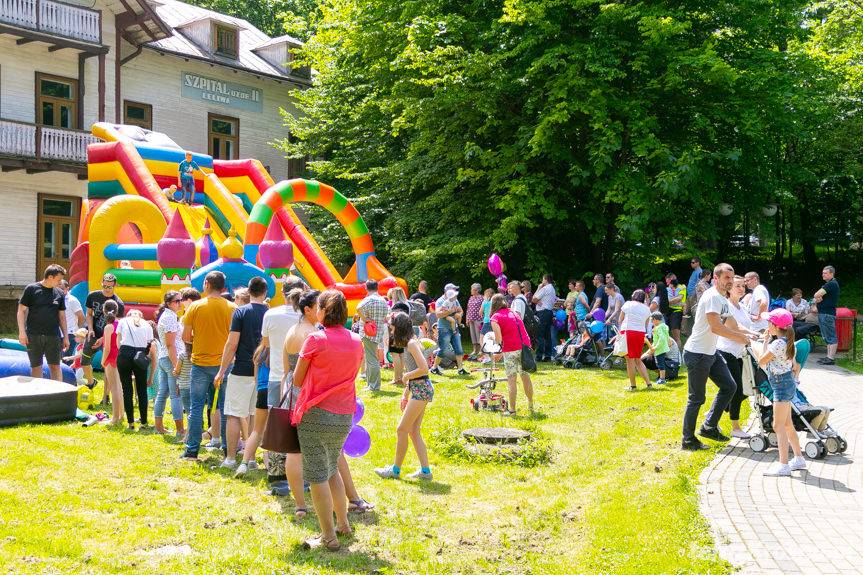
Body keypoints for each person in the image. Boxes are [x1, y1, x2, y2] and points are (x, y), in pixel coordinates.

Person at [291, 290, 362, 551]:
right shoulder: (356, 340)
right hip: (344, 414)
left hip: (315, 413)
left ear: (322, 310)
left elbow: (297, 380)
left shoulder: (315, 340)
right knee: (333, 468)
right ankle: (343, 524)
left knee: (318, 475)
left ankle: (328, 536)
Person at [681, 263, 752, 451]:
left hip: (710, 353)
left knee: (730, 386)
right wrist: (741, 338)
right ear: (716, 279)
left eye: (732, 277)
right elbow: (716, 327)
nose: (730, 281)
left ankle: (709, 427)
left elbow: (732, 324)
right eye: (726, 278)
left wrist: (753, 335)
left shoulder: (722, 299)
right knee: (696, 398)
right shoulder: (712, 297)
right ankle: (688, 440)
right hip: (697, 354)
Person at [269, 289, 320, 512]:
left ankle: (299, 502)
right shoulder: (311, 334)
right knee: (304, 447)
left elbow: (285, 369)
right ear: (307, 309)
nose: (323, 311)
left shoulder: (292, 330)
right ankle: (305, 495)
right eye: (320, 307)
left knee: (292, 448)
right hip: (306, 390)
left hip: (290, 386)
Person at [180, 271, 237, 461]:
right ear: (223, 287)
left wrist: (200, 339)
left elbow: (185, 337)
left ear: (206, 284)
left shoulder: (195, 306)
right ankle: (227, 449)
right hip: (224, 364)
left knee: (196, 408)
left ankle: (192, 450)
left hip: (200, 364)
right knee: (225, 408)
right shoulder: (232, 307)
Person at [215, 277, 269, 469]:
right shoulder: (270, 313)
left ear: (249, 291)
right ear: (265, 292)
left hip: (241, 370)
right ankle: (251, 458)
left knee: (232, 414)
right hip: (263, 372)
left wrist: (222, 369)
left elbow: (232, 343)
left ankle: (230, 458)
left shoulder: (240, 312)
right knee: (255, 415)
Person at [375, 312, 434, 480]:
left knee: (402, 429)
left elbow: (424, 369)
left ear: (399, 328)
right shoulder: (409, 343)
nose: (391, 332)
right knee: (414, 431)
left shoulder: (412, 344)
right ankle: (425, 472)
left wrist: (406, 376)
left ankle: (395, 470)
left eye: (392, 329)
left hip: (421, 388)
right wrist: (405, 393)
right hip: (417, 388)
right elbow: (416, 371)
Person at [260, 277, 305, 495]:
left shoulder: (270, 314)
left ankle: (276, 474)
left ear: (282, 291)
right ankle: (301, 474)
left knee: (276, 424)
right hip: (301, 379)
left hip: (277, 376)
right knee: (300, 426)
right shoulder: (307, 318)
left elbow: (266, 344)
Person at [756, 309, 806, 476]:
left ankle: (783, 465)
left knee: (778, 425)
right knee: (787, 424)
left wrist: (764, 342)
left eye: (768, 323)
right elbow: (794, 365)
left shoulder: (777, 344)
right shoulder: (787, 342)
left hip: (780, 385)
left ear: (774, 326)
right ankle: (798, 458)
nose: (766, 325)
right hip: (786, 383)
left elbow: (761, 361)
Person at [717, 276, 761, 439]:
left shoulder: (742, 306)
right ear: (729, 288)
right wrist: (750, 335)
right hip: (725, 351)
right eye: (737, 286)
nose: (741, 288)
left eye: (743, 286)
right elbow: (733, 326)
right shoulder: (726, 305)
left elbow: (744, 326)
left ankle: (717, 410)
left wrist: (755, 333)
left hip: (740, 353)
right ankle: (735, 427)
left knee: (741, 391)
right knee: (735, 389)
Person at [17, 265, 67, 381]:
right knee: (36, 367)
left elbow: (62, 316)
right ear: (50, 277)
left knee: (55, 366)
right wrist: (22, 332)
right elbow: (21, 311)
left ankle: (58, 395)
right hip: (34, 335)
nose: (61, 283)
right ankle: (37, 395)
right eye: (59, 280)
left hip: (53, 336)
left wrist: (65, 337)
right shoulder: (31, 289)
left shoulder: (59, 293)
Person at [490, 294, 534, 415]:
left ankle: (512, 410)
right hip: (524, 347)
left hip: (510, 349)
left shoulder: (495, 317)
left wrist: (498, 352)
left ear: (493, 305)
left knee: (512, 380)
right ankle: (531, 406)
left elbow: (498, 339)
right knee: (525, 377)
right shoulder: (514, 312)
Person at [84, 273, 125, 403]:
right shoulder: (92, 296)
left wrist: (103, 338)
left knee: (108, 366)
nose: (107, 289)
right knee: (84, 360)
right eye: (105, 286)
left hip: (108, 336)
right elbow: (89, 314)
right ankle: (91, 382)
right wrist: (90, 329)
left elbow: (116, 325)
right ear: (101, 283)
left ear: (115, 285)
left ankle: (105, 396)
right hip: (93, 333)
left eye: (110, 287)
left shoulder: (118, 303)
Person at [116, 309, 156, 430]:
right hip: (140, 354)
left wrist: (123, 353)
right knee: (142, 390)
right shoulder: (147, 325)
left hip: (124, 353)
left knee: (127, 390)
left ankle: (130, 423)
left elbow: (118, 341)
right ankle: (144, 422)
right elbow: (149, 343)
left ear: (129, 315)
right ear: (141, 316)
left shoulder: (123, 321)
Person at [154, 291, 184, 437]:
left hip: (163, 357)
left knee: (163, 393)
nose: (180, 303)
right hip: (171, 358)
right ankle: (180, 429)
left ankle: (159, 426)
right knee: (175, 395)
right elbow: (171, 344)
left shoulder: (166, 316)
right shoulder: (170, 317)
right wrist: (177, 365)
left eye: (180, 300)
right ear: (168, 303)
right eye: (177, 301)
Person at [356, 280, 389, 391]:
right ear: (377, 287)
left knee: (371, 359)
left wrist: (366, 319)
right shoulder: (383, 300)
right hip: (378, 332)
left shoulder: (369, 299)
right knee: (372, 358)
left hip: (368, 332)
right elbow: (385, 316)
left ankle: (374, 386)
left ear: (366, 288)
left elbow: (358, 308)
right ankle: (370, 384)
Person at [619, 289, 652, 390]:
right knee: (638, 359)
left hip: (628, 332)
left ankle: (633, 386)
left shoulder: (628, 304)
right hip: (640, 334)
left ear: (634, 296)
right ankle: (649, 384)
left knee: (629, 360)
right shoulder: (647, 309)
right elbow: (646, 325)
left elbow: (620, 319)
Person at [100, 300, 123, 425]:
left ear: (104, 311)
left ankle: (114, 418)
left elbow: (107, 347)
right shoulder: (120, 323)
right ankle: (121, 414)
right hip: (119, 356)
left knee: (114, 388)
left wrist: (103, 361)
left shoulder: (108, 327)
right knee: (119, 387)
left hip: (111, 357)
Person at [813, 265, 840, 365]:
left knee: (831, 336)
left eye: (825, 273)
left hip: (827, 314)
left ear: (831, 274)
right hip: (824, 313)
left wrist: (818, 297)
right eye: (823, 273)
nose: (823, 275)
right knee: (826, 336)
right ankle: (828, 357)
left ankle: (831, 358)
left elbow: (816, 295)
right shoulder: (830, 284)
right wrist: (818, 299)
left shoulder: (831, 284)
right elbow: (817, 297)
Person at [532, 274, 557, 361]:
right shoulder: (552, 289)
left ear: (545, 279)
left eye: (543, 279)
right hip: (549, 312)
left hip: (542, 312)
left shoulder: (545, 288)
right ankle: (547, 355)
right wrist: (538, 300)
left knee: (540, 334)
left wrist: (539, 288)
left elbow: (533, 299)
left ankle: (538, 356)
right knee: (547, 335)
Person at [644, 312, 670, 384]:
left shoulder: (659, 328)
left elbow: (661, 338)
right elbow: (666, 337)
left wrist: (656, 347)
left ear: (655, 319)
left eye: (652, 320)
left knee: (660, 364)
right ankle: (661, 378)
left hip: (660, 349)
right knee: (660, 363)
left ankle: (662, 379)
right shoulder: (663, 326)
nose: (652, 322)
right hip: (662, 348)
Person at [59, 280, 84, 355]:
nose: (60, 291)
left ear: (67, 288)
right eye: (58, 289)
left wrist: (77, 329)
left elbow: (81, 317)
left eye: (62, 289)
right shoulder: (56, 299)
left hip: (70, 333)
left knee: (66, 358)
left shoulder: (72, 300)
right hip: (57, 333)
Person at [666, 273, 686, 350]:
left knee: (676, 335)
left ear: (673, 278)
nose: (668, 284)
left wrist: (668, 302)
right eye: (667, 283)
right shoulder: (669, 288)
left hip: (677, 311)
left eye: (668, 282)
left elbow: (679, 298)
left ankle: (679, 355)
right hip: (668, 312)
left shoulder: (681, 287)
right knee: (669, 335)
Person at [466, 283, 484, 360]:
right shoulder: (470, 298)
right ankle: (475, 349)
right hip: (471, 318)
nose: (471, 291)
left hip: (478, 319)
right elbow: (468, 309)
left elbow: (483, 309)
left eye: (472, 289)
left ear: (476, 290)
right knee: (473, 334)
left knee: (478, 334)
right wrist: (467, 318)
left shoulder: (481, 298)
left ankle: (480, 349)